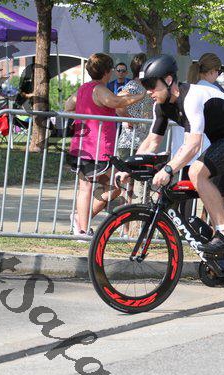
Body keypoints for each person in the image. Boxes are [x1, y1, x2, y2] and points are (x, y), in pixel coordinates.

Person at [116, 54, 224, 253]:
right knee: (203, 187)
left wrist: (168, 169)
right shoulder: (161, 106)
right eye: (145, 86)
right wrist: (129, 168)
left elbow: (193, 145)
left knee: (196, 172)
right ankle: (223, 254)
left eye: (151, 85)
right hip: (220, 140)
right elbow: (152, 141)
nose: (148, 91)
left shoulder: (191, 97)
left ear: (168, 80)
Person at [64, 53, 145, 237]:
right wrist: (141, 95)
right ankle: (82, 226)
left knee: (92, 187)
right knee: (113, 184)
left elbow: (68, 105)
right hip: (97, 148)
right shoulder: (99, 89)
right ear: (107, 72)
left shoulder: (83, 88)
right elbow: (116, 102)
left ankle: (81, 225)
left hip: (83, 146)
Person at [115, 53, 154, 208]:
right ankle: (123, 218)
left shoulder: (146, 87)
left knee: (138, 185)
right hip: (130, 141)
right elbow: (118, 104)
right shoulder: (132, 86)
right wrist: (129, 119)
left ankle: (133, 216)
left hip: (143, 141)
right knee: (128, 185)